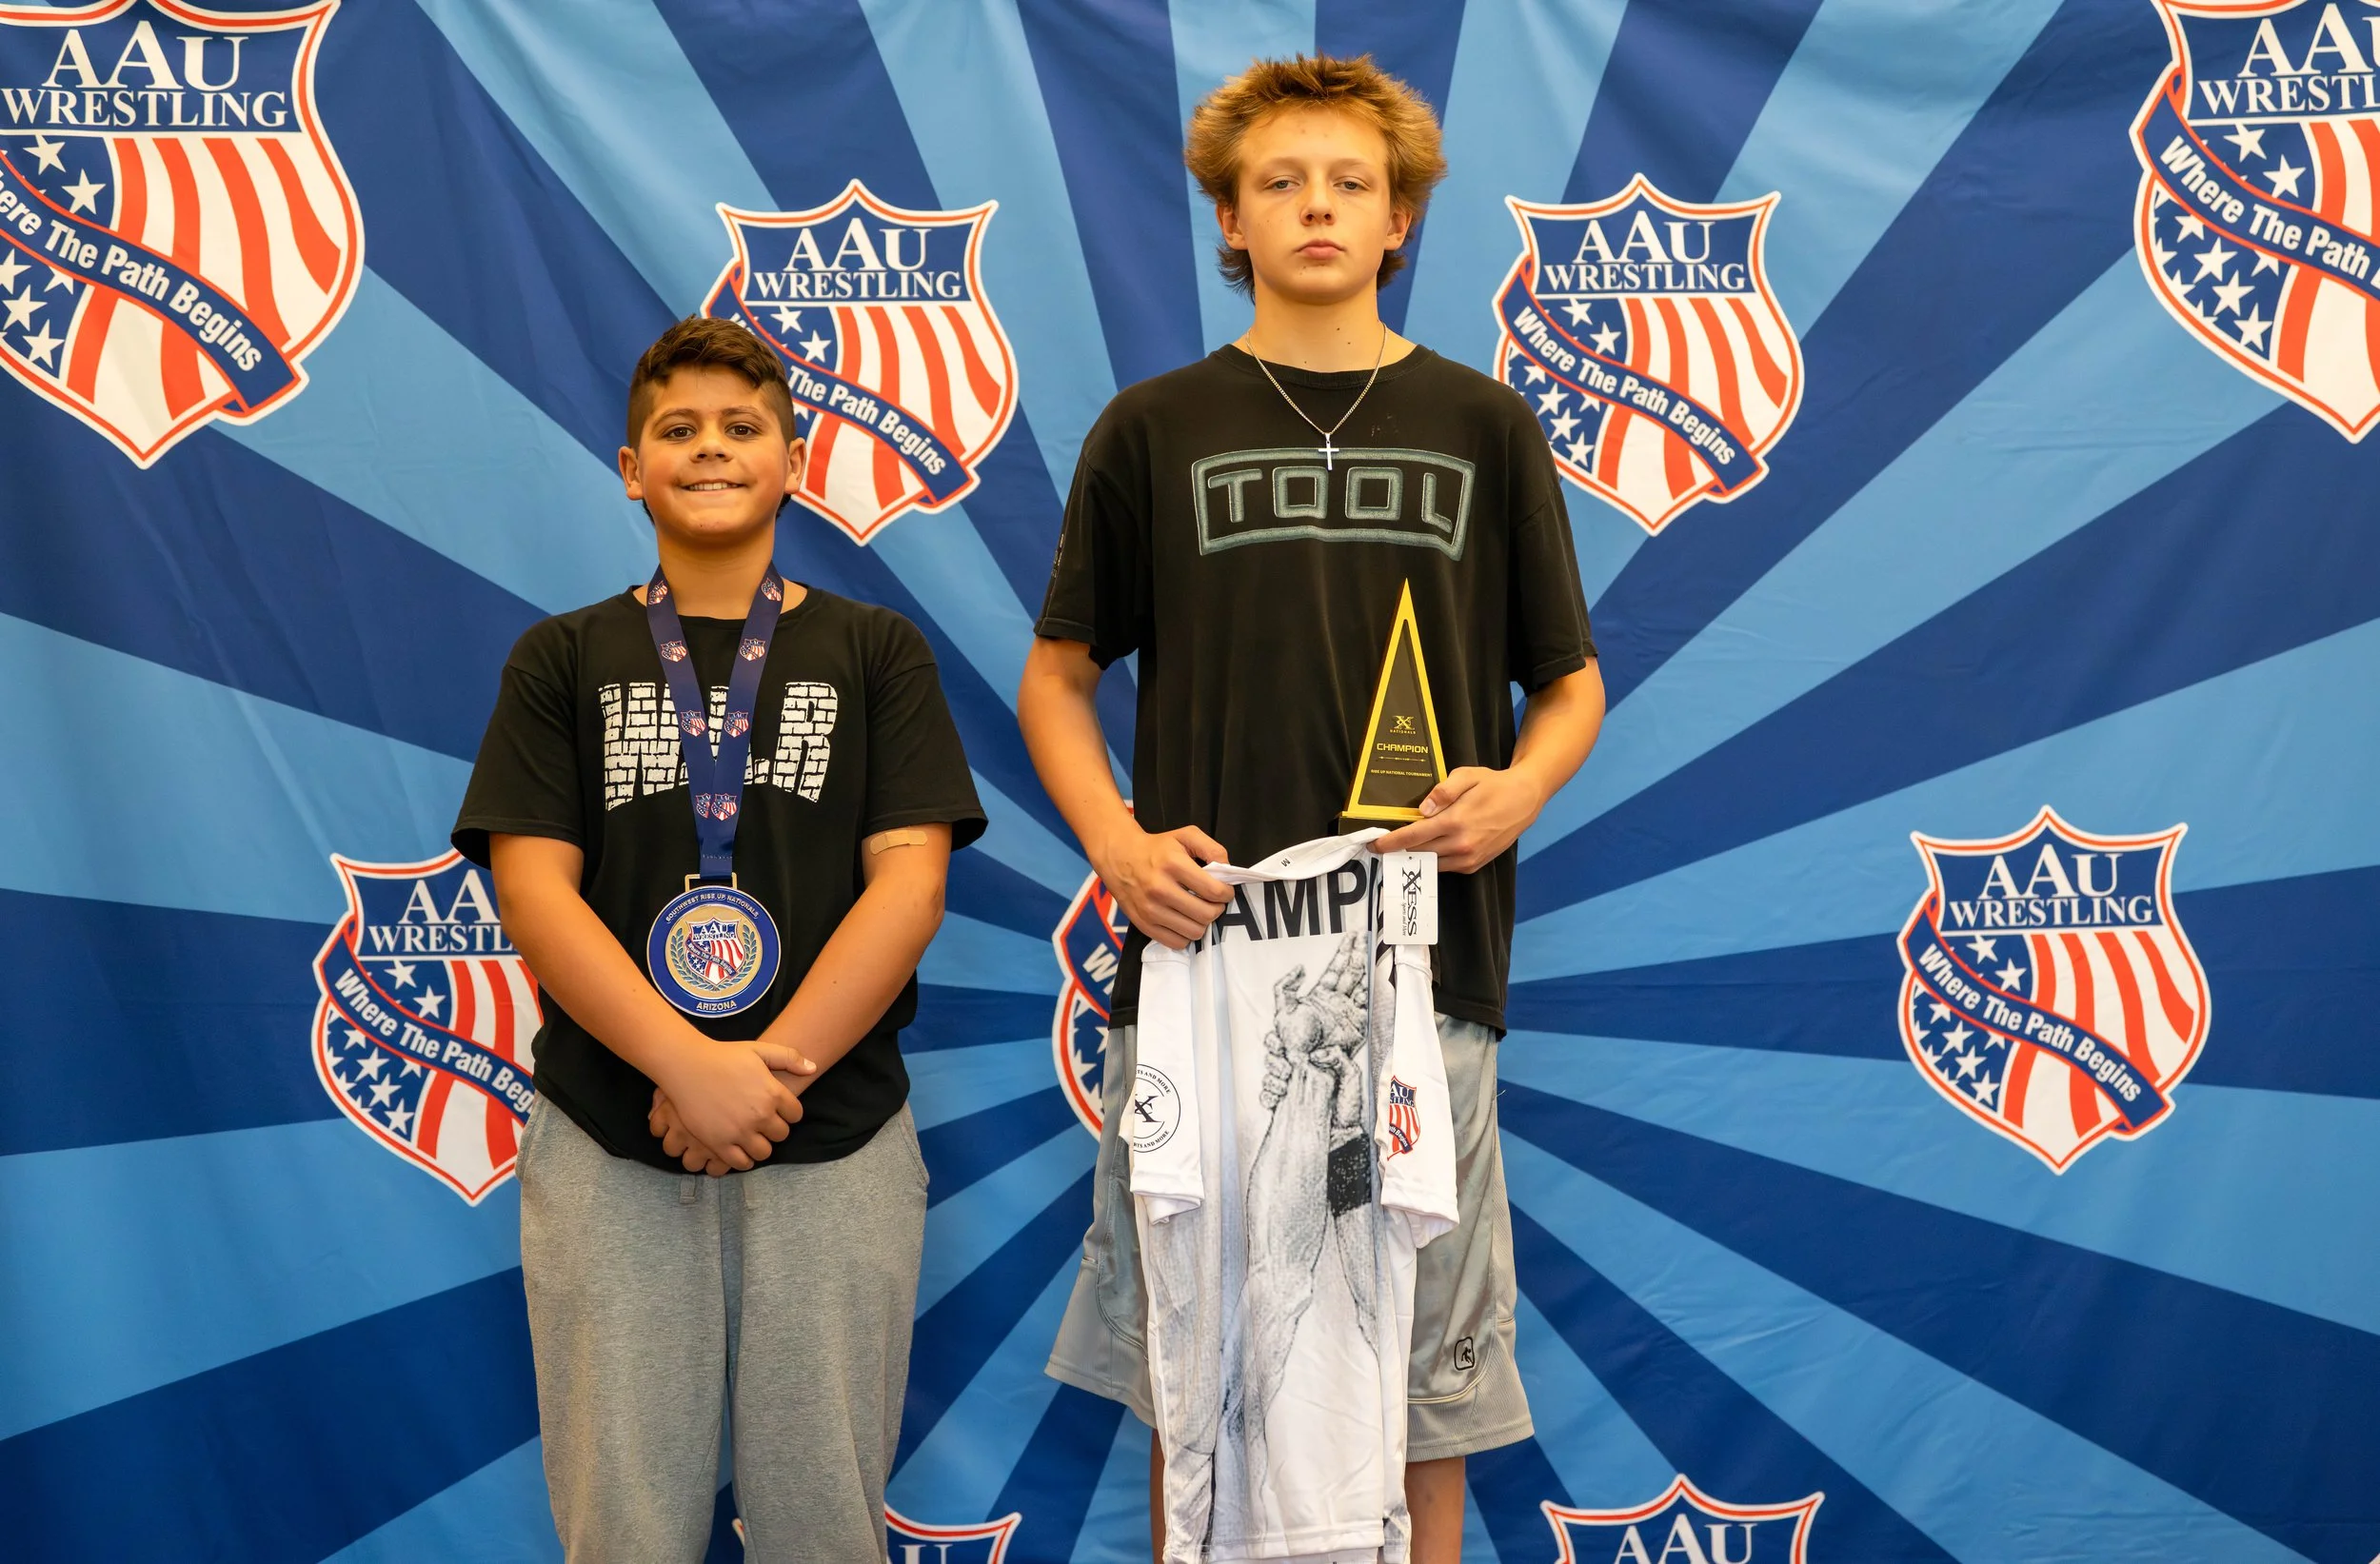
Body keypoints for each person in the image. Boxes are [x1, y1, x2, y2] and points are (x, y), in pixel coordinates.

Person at [1021, 54, 1605, 1562]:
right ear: (1229, 215)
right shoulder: (1153, 428)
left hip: (1423, 963)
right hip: (1205, 958)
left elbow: (1572, 682)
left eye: (1351, 181)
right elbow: (1055, 678)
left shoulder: (1485, 424)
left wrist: (1516, 792)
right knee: (1194, 1362)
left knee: (1420, 1372)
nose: (1318, 205)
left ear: (1402, 216)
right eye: (1281, 181)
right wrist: (1115, 843)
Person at [452, 316, 985, 1563]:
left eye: (743, 428)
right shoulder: (561, 658)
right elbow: (534, 893)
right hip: (612, 1131)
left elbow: (909, 885)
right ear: (631, 467)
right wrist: (685, 1066)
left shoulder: (874, 652)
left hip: (834, 1132)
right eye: (677, 429)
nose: (710, 449)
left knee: (822, 1524)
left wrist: (765, 1071)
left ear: (794, 461)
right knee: (622, 1525)